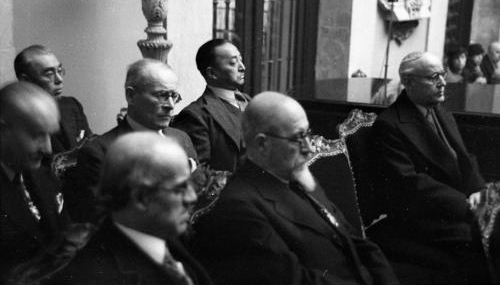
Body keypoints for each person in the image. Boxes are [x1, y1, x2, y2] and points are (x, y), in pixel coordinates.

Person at [192, 91, 399, 285]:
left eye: (307, 134)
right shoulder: (239, 208)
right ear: (263, 144)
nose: (308, 148)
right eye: (297, 138)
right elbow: (298, 280)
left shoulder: (300, 177)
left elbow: (354, 240)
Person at [369, 52, 489, 284]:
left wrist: (478, 191)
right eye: (434, 77)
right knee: (484, 239)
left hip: (455, 207)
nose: (443, 83)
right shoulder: (390, 125)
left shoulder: (440, 111)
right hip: (425, 217)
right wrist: (466, 204)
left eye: (442, 75)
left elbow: (465, 158)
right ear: (409, 82)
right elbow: (411, 184)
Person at [48, 132, 212, 285]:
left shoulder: (167, 239)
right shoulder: (96, 276)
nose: (192, 198)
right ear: (141, 198)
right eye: (180, 188)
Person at [65, 59, 197, 222]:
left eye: (174, 96)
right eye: (161, 95)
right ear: (131, 95)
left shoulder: (181, 139)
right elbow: (99, 221)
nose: (170, 105)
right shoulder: (100, 153)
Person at [0, 82, 69, 280]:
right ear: (3, 129)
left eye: (49, 135)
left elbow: (65, 241)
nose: (47, 149)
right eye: (37, 135)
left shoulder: (42, 175)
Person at [172, 39, 250, 173]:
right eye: (232, 63)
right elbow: (199, 173)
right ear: (212, 73)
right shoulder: (195, 115)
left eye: (240, 60)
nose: (242, 67)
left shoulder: (249, 102)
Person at [14, 45, 92, 154]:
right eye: (49, 74)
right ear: (25, 80)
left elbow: (92, 148)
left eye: (59, 70)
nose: (59, 79)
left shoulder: (71, 105)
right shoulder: (15, 119)